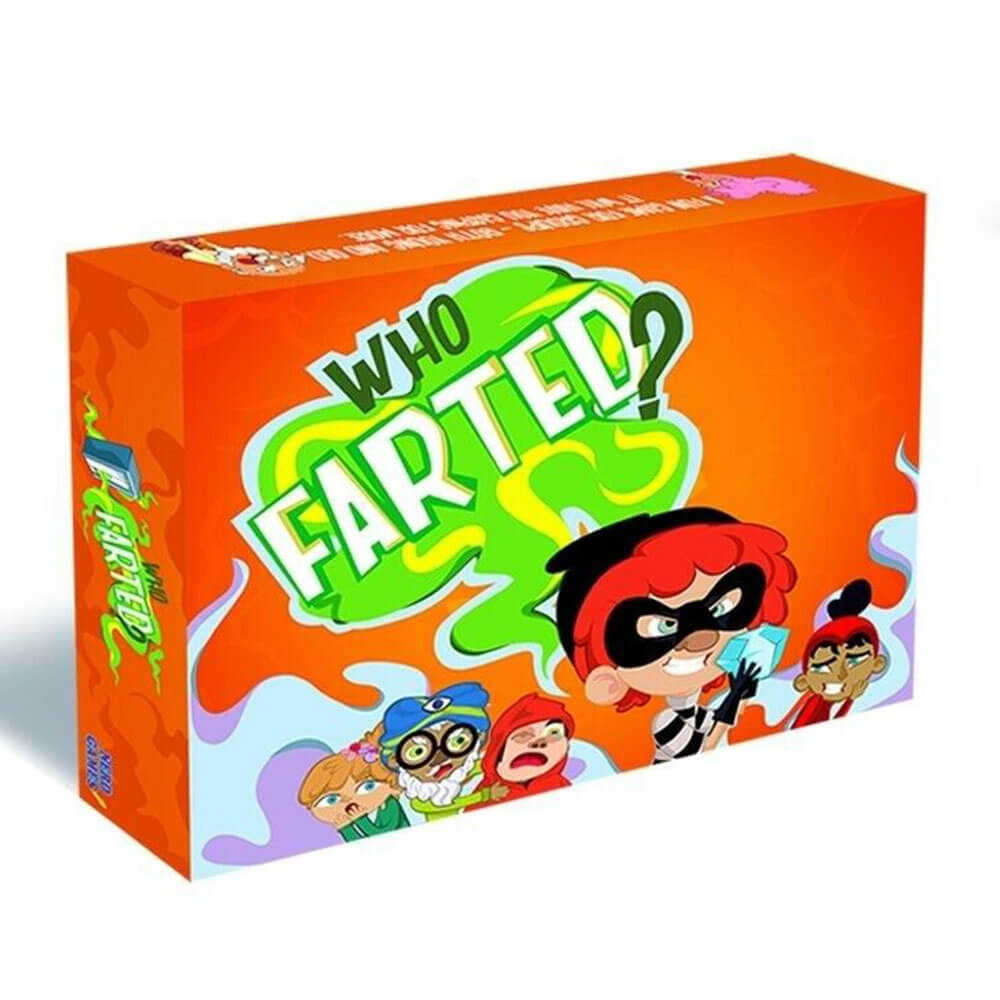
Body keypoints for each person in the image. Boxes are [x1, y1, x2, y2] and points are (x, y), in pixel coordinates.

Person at [546, 507, 796, 762]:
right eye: (663, 627)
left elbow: (724, 722)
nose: (702, 639)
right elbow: (706, 748)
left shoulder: (693, 709)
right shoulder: (665, 721)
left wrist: (743, 688)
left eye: (720, 608)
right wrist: (735, 695)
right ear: (609, 682)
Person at [378, 682, 508, 820]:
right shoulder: (421, 798)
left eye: (458, 741)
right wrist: (485, 795)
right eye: (418, 752)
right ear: (394, 760)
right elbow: (445, 805)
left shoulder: (477, 766)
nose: (440, 759)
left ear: (479, 738)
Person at [790, 579, 887, 728]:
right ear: (804, 681)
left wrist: (850, 700)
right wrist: (850, 700)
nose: (841, 674)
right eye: (823, 667)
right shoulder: (813, 707)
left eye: (854, 661)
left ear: (877, 663)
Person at [298, 733, 409, 842]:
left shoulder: (389, 804)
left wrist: (360, 819)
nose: (350, 802)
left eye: (368, 787)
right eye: (331, 800)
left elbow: (384, 834)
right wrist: (345, 828)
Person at [471, 693, 575, 809]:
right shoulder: (488, 795)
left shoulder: (561, 786)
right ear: (498, 752)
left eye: (554, 733)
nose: (539, 742)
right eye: (523, 736)